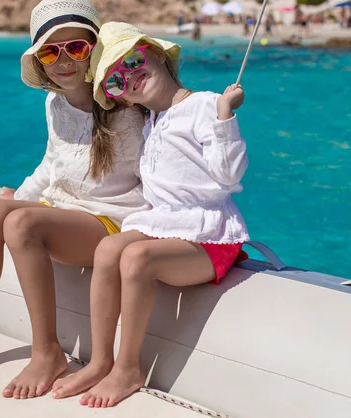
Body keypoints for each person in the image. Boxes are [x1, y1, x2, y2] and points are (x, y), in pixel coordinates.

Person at [0, 0, 149, 400]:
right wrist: (21, 196)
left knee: (20, 223)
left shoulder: (127, 108)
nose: (64, 61)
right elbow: (53, 164)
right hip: (64, 211)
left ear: (94, 51)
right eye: (50, 51)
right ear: (40, 61)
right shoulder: (55, 103)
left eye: (76, 48)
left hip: (110, 221)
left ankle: (47, 351)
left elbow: (156, 175)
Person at [51, 22, 249, 407]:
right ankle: (102, 359)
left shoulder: (206, 106)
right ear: (121, 99)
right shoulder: (151, 122)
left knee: (136, 257)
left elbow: (229, 176)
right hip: (168, 227)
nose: (129, 76)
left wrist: (226, 116)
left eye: (135, 60)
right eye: (115, 82)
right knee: (110, 249)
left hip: (209, 237)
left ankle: (128, 367)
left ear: (157, 54)